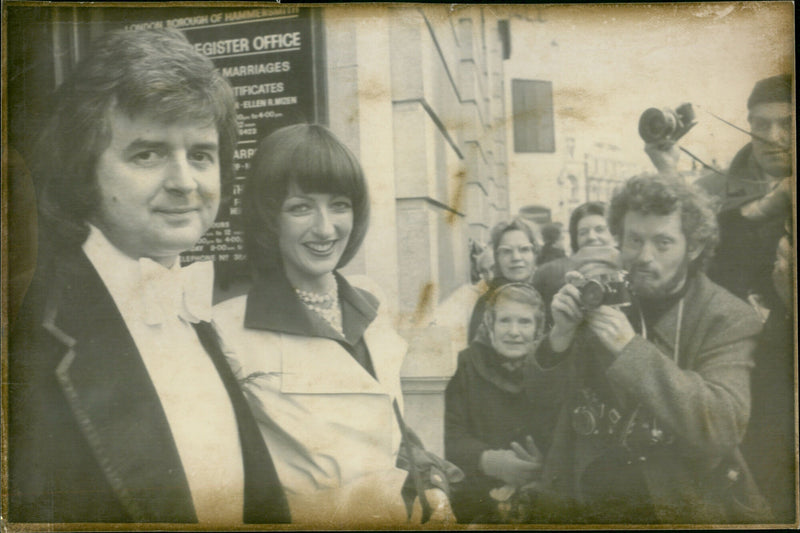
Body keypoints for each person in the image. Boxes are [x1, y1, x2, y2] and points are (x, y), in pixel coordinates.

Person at [7, 29, 288, 523]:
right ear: (83, 170)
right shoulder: (24, 337)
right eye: (148, 154)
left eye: (201, 154)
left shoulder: (194, 313)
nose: (185, 182)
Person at [212, 124, 458, 526]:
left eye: (340, 205)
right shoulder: (229, 331)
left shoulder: (372, 309)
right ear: (269, 217)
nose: (326, 229)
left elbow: (391, 433)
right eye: (301, 207)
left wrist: (431, 486)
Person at [526, 175, 769, 524]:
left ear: (694, 247)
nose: (644, 257)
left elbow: (722, 425)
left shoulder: (726, 316)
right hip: (587, 497)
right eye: (634, 240)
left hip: (680, 500)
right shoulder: (603, 294)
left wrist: (630, 349)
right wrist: (558, 341)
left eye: (663, 242)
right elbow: (539, 406)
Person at [445, 283, 553, 523]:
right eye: (505, 321)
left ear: (538, 329)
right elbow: (447, 435)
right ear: (490, 325)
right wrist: (488, 461)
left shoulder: (551, 370)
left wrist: (542, 465)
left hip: (541, 499)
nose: (514, 331)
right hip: (477, 499)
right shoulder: (464, 367)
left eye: (525, 322)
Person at [532, 202, 619, 328]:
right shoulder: (559, 280)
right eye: (583, 232)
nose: (591, 237)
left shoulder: (633, 276)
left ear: (615, 235)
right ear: (576, 240)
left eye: (600, 230)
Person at [467, 218, 539, 342]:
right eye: (506, 251)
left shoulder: (548, 294)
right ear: (497, 258)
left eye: (524, 249)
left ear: (535, 254)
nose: (516, 257)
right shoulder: (487, 303)